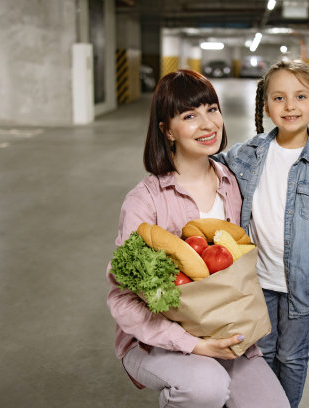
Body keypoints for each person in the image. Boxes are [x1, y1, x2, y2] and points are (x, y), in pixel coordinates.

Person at [106, 69, 292, 408]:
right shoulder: (145, 200)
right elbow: (122, 299)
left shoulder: (233, 183)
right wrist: (194, 345)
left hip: (225, 333)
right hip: (157, 342)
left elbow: (283, 180)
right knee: (206, 386)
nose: (208, 125)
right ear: (167, 130)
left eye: (211, 109)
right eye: (189, 116)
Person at [212, 59, 309, 408]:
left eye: (300, 96)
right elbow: (209, 165)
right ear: (265, 105)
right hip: (256, 283)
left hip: (302, 289)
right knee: (260, 355)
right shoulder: (246, 155)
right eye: (279, 97)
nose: (290, 106)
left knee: (291, 356)